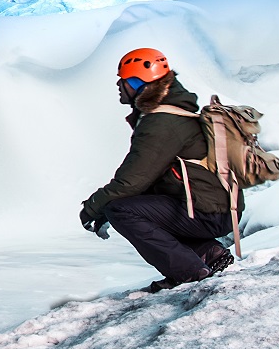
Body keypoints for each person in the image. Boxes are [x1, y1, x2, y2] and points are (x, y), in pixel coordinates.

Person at [78, 48, 238, 292]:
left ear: (137, 83)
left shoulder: (162, 122)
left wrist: (92, 208)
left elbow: (132, 181)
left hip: (207, 212)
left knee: (121, 209)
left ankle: (189, 272)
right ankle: (209, 253)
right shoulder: (169, 113)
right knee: (139, 204)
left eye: (123, 80)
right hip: (214, 208)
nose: (119, 86)